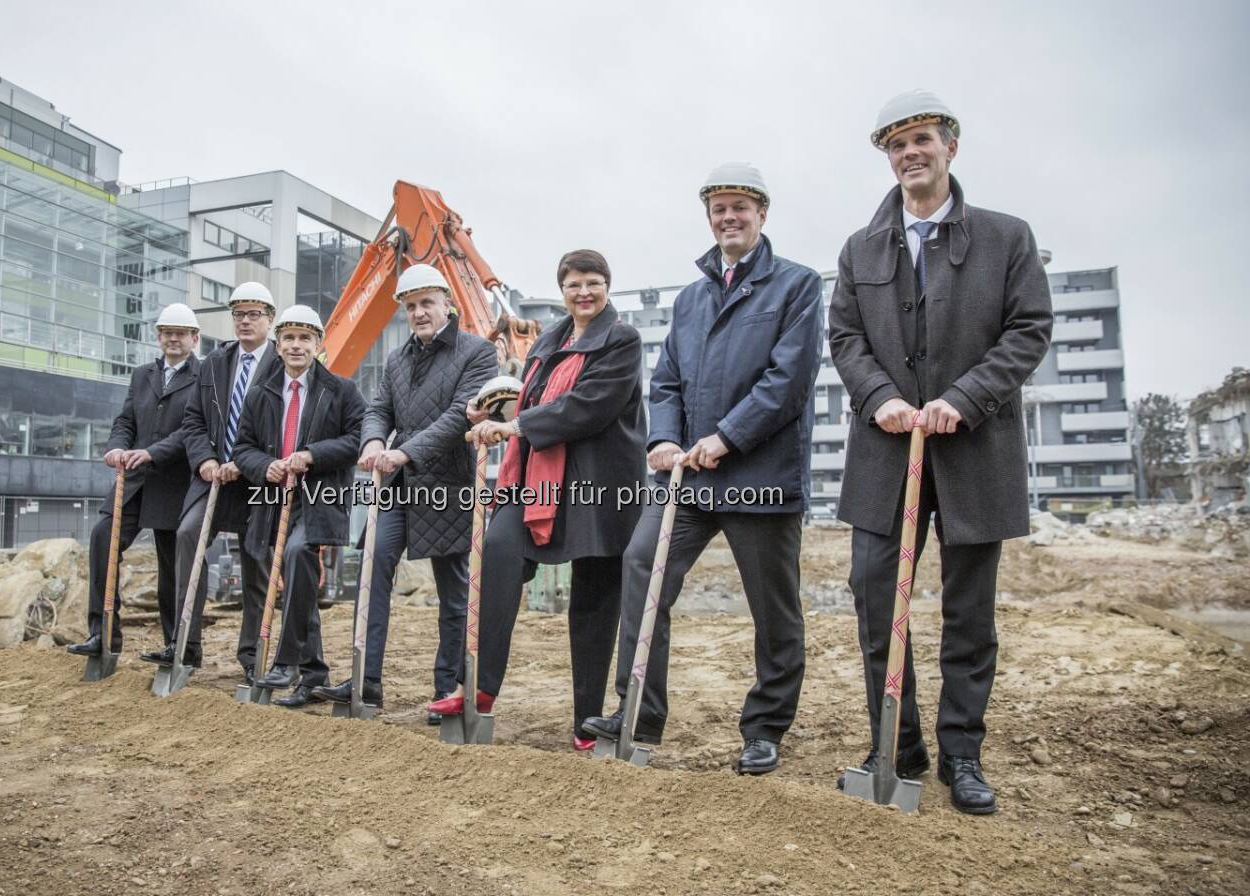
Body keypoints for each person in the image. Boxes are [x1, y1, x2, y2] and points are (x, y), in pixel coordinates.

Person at [829, 90, 1052, 814]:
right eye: (896, 145)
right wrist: (878, 397)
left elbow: (1028, 330)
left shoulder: (1006, 237)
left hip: (973, 451)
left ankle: (962, 753)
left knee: (968, 612)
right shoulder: (860, 248)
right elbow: (845, 339)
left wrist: (964, 398)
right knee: (873, 597)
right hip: (885, 454)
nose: (910, 154)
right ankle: (897, 742)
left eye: (922, 139)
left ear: (950, 146)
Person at [581, 162, 822, 775]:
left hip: (760, 473)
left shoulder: (795, 286)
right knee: (642, 567)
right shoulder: (691, 299)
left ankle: (765, 726)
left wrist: (728, 437)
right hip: (686, 476)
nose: (729, 217)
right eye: (718, 208)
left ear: (762, 214)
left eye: (741, 206)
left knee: (772, 607)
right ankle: (638, 709)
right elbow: (666, 383)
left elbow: (787, 381)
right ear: (708, 217)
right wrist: (663, 439)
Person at [430, 249, 646, 750]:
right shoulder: (549, 337)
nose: (584, 292)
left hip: (600, 487)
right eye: (574, 284)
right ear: (563, 289)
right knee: (500, 551)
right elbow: (532, 395)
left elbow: (588, 406)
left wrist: (518, 424)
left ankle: (587, 721)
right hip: (537, 479)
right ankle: (480, 687)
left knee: (594, 600)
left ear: (607, 286)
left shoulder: (623, 339)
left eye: (593, 283)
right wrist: (492, 407)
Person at [312, 266, 499, 714]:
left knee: (454, 594)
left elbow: (459, 415)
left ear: (447, 303)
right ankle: (365, 681)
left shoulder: (478, 352)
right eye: (410, 306)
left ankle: (447, 690)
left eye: (426, 303)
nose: (418, 313)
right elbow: (379, 408)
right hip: (400, 486)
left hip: (450, 485)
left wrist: (405, 452)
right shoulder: (398, 359)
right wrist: (375, 439)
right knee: (372, 571)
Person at [231, 305, 366, 707]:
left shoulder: (341, 390)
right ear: (277, 345)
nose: (295, 345)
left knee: (298, 553)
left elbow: (359, 438)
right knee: (297, 575)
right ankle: (314, 675)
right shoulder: (261, 393)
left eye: (304, 338)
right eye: (288, 338)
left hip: (320, 498)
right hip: (275, 501)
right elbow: (243, 449)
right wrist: (265, 466)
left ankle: (287, 660)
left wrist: (311, 455)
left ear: (318, 344)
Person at [153, 282, 280, 683]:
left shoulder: (283, 363)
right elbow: (193, 421)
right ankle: (184, 648)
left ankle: (251, 654)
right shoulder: (214, 363)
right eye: (239, 314)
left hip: (257, 480)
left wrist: (248, 463)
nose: (245, 321)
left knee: (257, 563)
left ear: (270, 319)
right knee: (187, 536)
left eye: (254, 314)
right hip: (213, 478)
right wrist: (205, 460)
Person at [68, 304, 200, 660]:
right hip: (135, 482)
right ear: (158, 337)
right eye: (166, 332)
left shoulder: (204, 377)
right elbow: (125, 420)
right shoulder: (143, 374)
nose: (173, 338)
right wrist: (116, 447)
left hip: (174, 486)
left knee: (172, 566)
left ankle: (179, 645)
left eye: (180, 332)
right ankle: (103, 633)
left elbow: (193, 430)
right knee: (102, 540)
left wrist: (153, 452)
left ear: (194, 338)